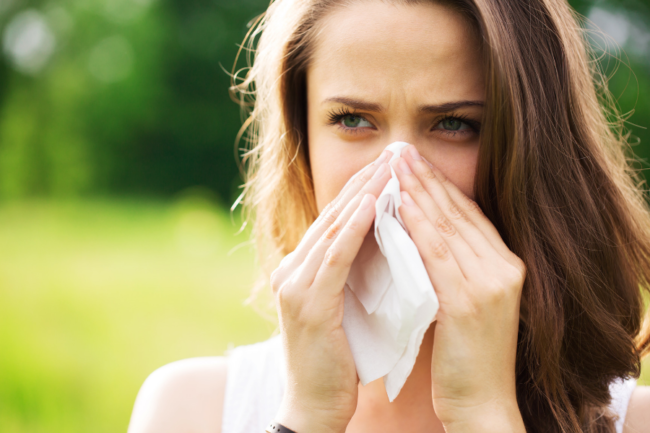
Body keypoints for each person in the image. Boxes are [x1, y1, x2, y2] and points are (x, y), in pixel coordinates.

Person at [127, 0, 650, 432]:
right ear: (301, 142)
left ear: (533, 150)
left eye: (454, 124)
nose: (397, 176)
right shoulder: (188, 410)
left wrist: (485, 416)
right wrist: (307, 420)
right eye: (353, 120)